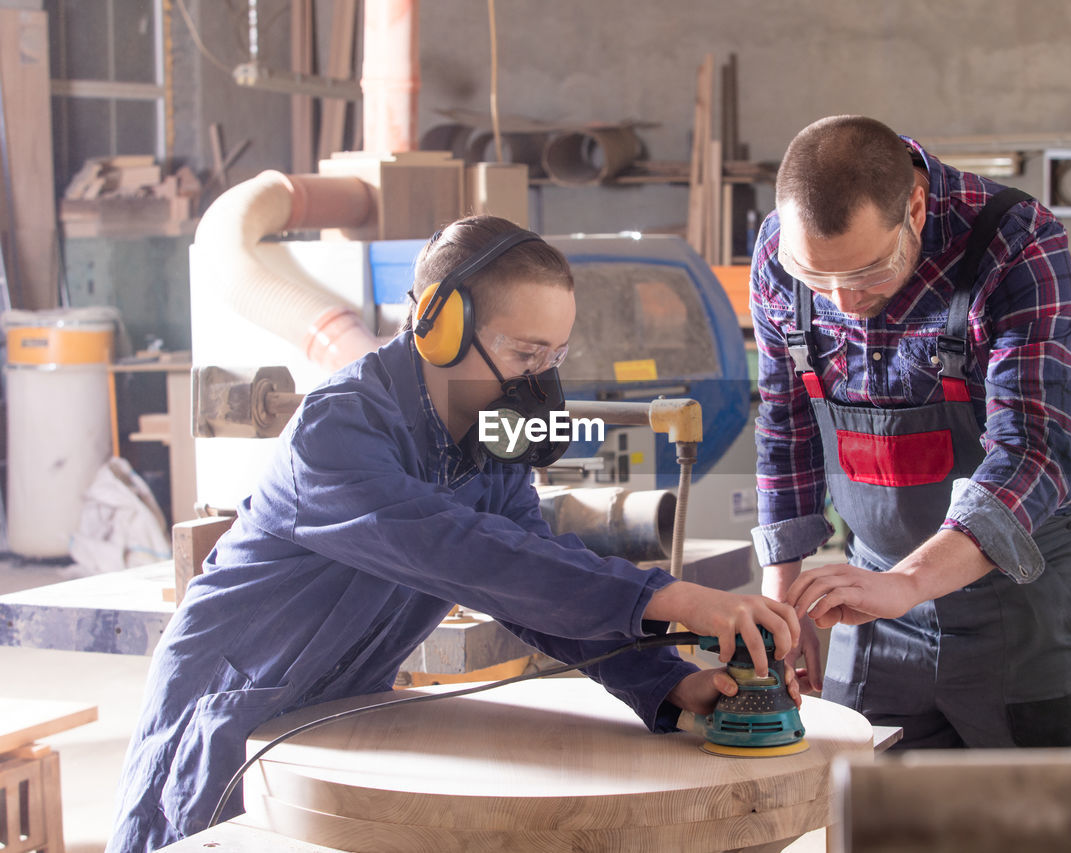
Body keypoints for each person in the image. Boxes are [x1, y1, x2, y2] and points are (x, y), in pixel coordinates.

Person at [108, 215, 801, 850]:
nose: (541, 382)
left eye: (555, 357)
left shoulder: (487, 440)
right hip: (222, 722)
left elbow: (537, 580)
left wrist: (668, 683)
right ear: (438, 325)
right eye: (526, 354)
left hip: (339, 722)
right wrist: (675, 598)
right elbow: (471, 556)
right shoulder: (338, 430)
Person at [749, 115, 1071, 749]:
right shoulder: (781, 252)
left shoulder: (1014, 240)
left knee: (1052, 823)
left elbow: (1033, 450)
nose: (840, 300)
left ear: (914, 209)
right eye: (817, 281)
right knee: (873, 820)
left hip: (1028, 600)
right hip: (876, 606)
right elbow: (786, 425)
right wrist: (781, 598)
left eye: (866, 275)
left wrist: (909, 583)